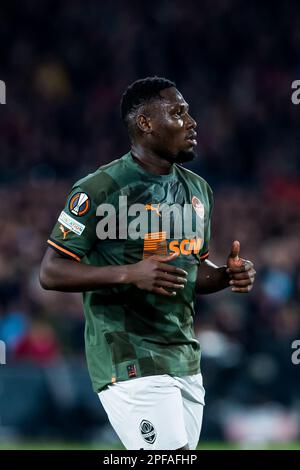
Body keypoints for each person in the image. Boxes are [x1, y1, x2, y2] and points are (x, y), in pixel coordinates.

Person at [40, 76, 256, 450]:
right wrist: (128, 273)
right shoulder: (100, 188)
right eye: (177, 113)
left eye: (189, 113)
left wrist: (224, 276)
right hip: (127, 354)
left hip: (183, 354)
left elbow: (190, 271)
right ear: (145, 123)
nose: (192, 123)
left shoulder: (199, 190)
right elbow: (51, 271)